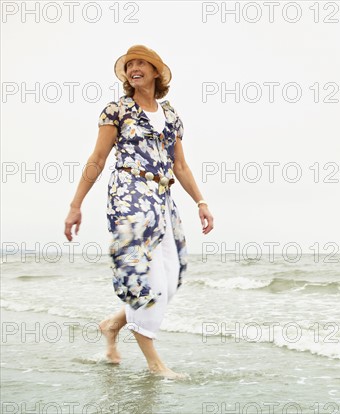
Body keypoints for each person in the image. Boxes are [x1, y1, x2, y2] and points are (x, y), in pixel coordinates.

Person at [64, 45, 213, 379]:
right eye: (129, 64)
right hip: (129, 194)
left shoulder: (171, 116)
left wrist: (201, 202)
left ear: (156, 71)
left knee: (171, 277)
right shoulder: (117, 110)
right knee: (140, 275)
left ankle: (112, 324)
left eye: (141, 63)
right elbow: (97, 159)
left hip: (162, 197)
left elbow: (181, 165)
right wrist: (76, 205)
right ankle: (154, 362)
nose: (134, 67)